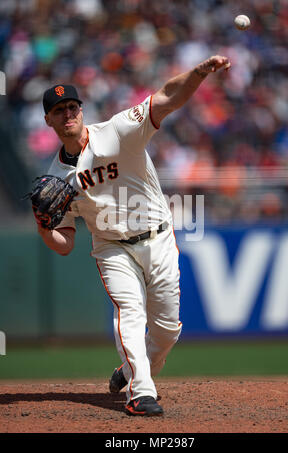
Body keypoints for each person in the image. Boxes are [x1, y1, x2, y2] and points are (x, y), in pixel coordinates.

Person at [37, 55, 231, 416]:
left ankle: (127, 370)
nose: (68, 114)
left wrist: (199, 73)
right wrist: (43, 227)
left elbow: (167, 98)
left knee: (167, 332)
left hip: (157, 238)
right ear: (48, 120)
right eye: (59, 110)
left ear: (81, 109)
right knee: (129, 310)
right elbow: (64, 245)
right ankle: (141, 392)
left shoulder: (118, 129)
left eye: (72, 106)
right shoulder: (55, 178)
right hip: (111, 248)